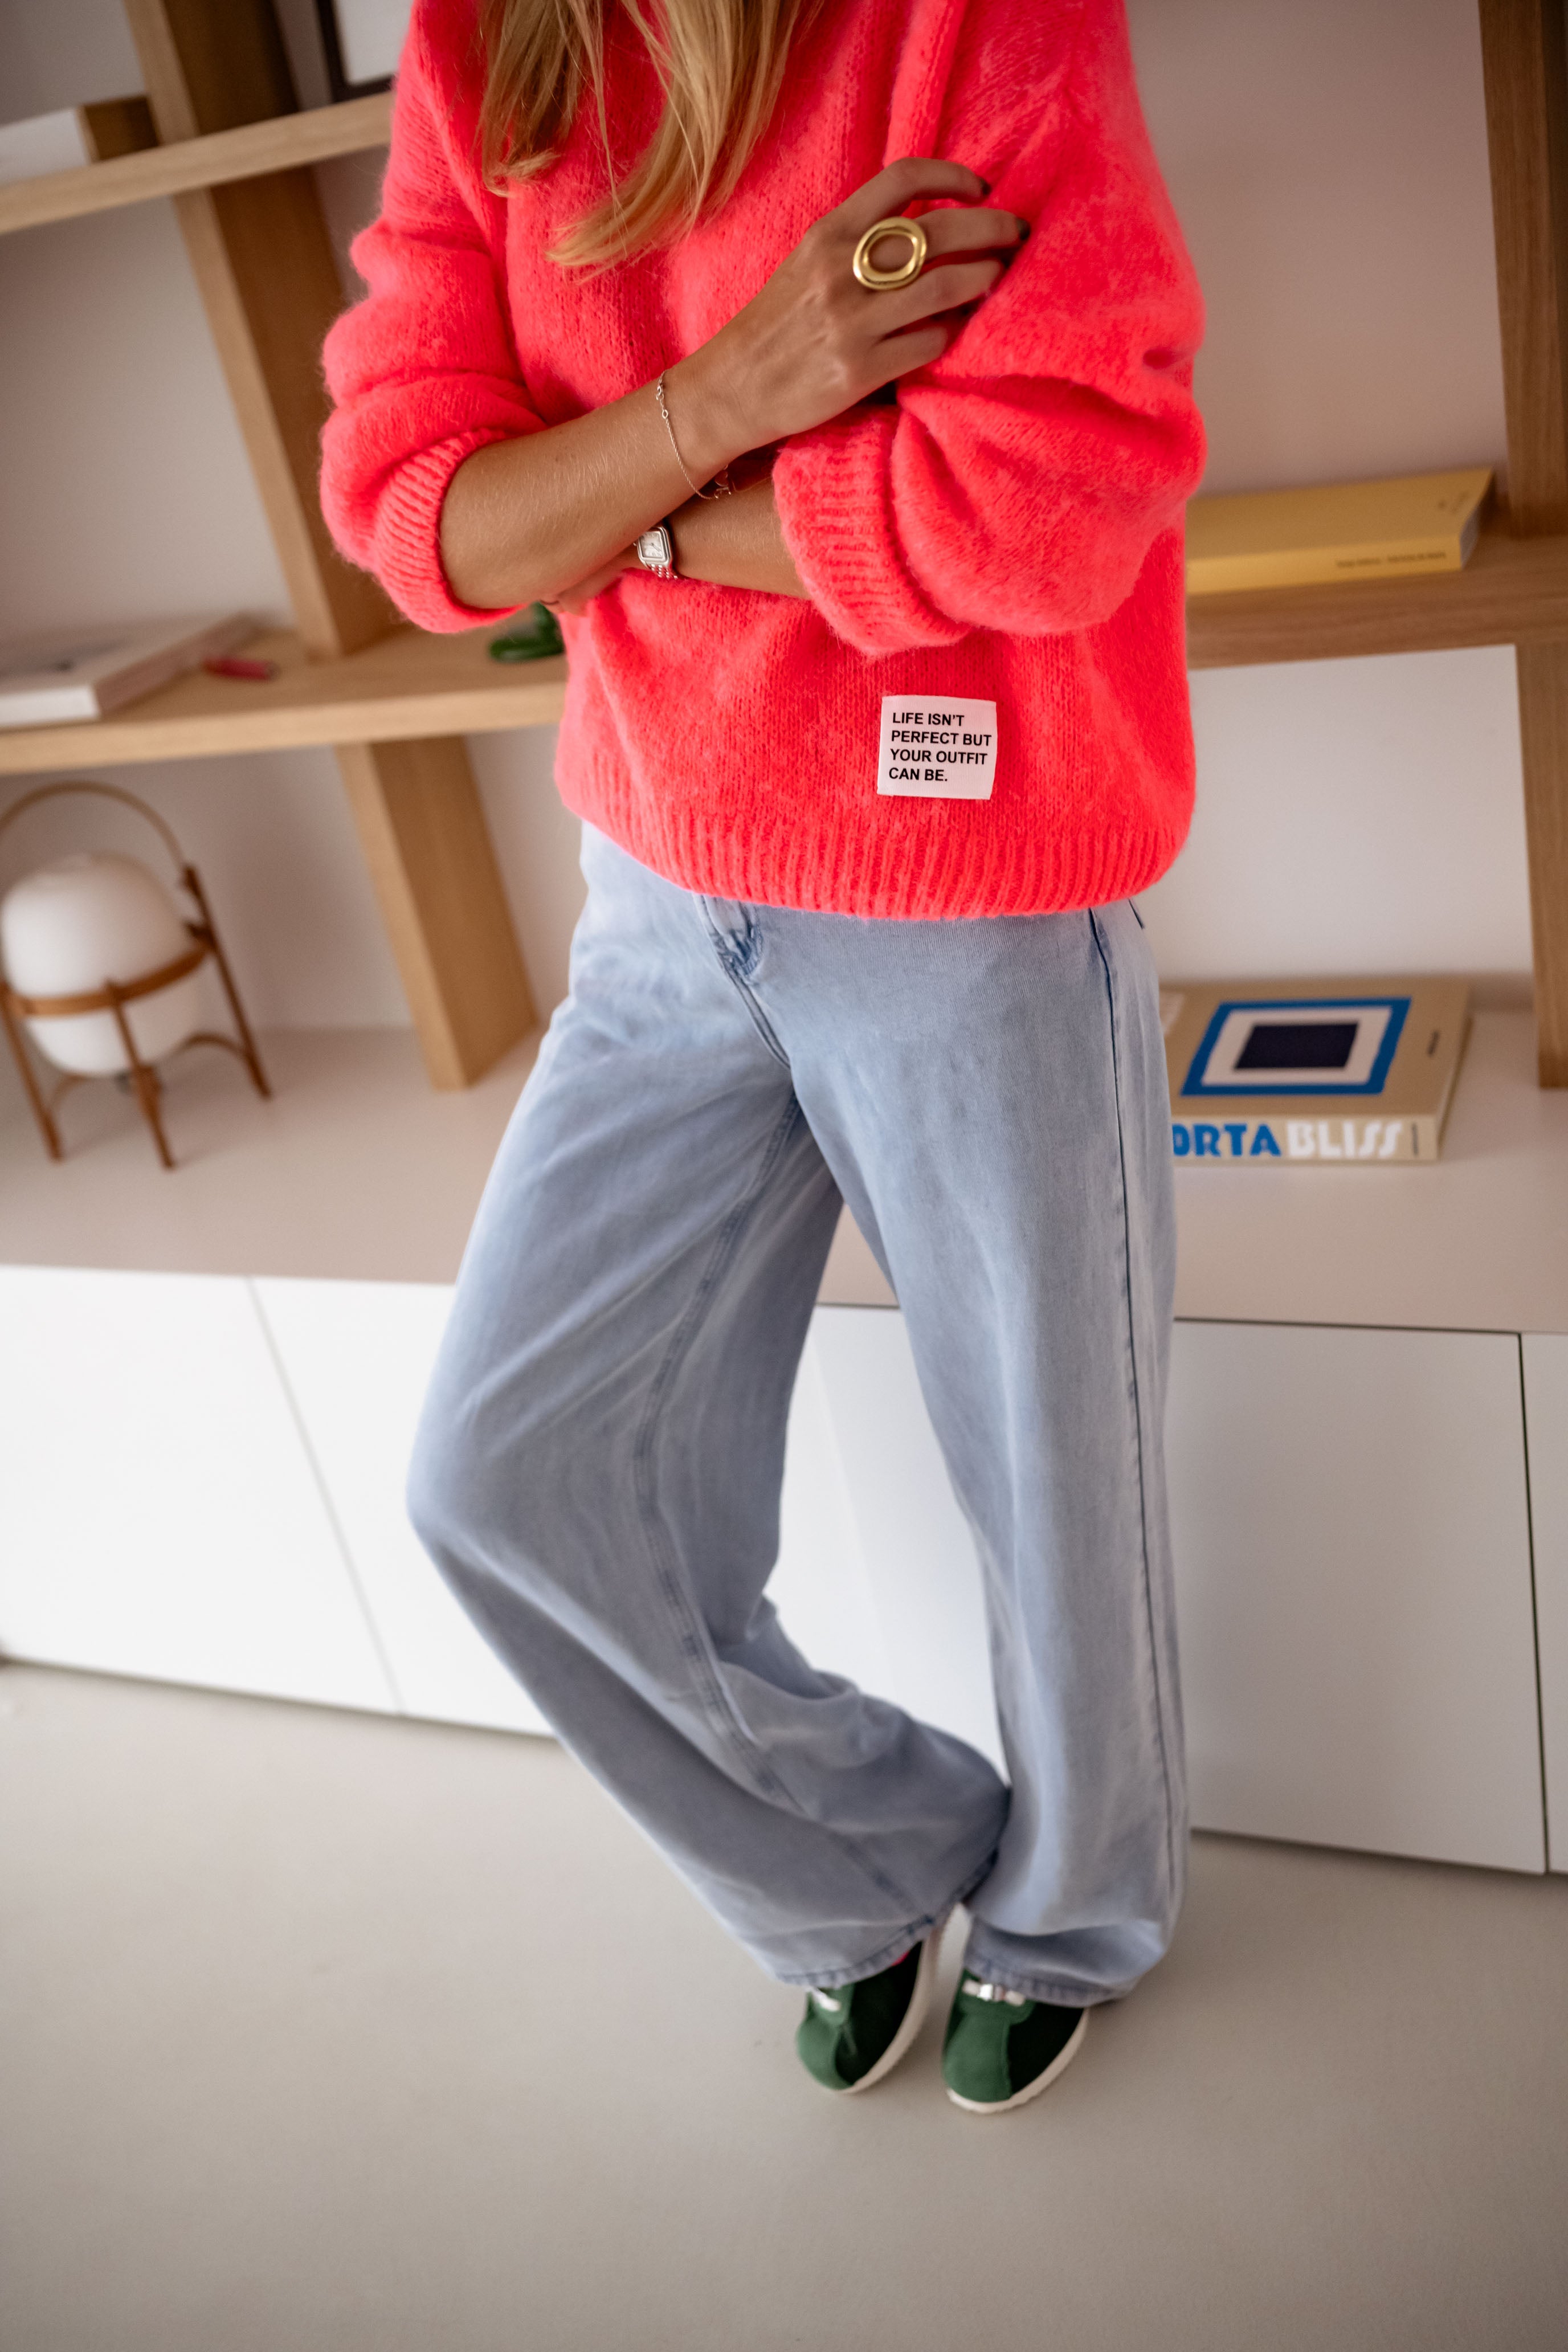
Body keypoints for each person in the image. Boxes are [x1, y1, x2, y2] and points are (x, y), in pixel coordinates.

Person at [321, 0, 1204, 2117]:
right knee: (502, 1482)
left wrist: (603, 504)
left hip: (971, 882)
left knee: (1054, 1490)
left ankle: (1081, 1914)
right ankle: (859, 1861)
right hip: (653, 886)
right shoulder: (485, 44)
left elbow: (1047, 495)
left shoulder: (975, 28)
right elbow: (415, 519)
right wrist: (737, 394)